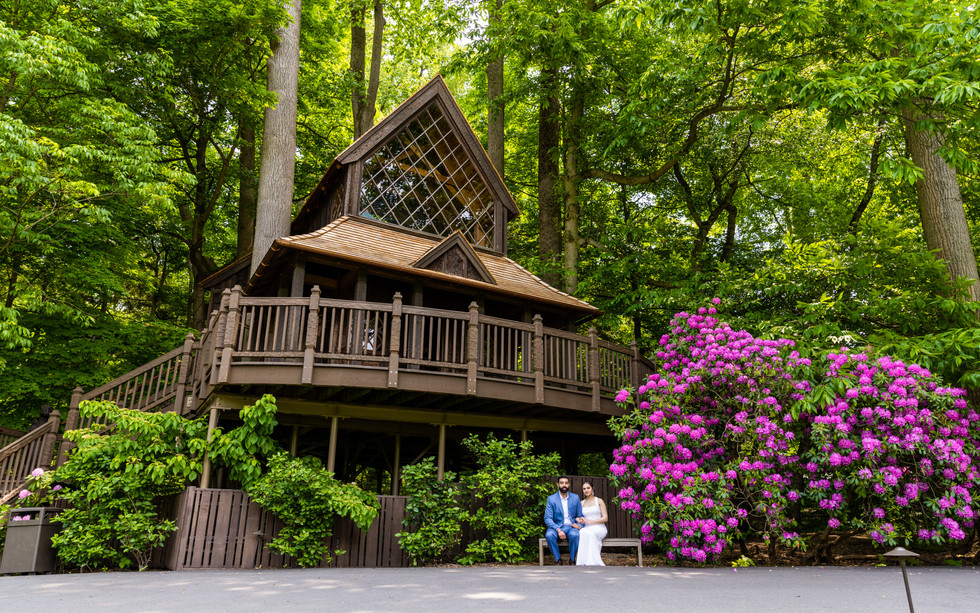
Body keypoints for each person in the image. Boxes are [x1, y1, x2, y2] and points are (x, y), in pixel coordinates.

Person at [544, 475, 583, 565]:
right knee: (549, 535)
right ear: (558, 485)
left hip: (571, 526)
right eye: (561, 483)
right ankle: (558, 560)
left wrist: (579, 525)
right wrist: (558, 529)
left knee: (575, 535)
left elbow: (580, 515)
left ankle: (572, 560)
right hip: (556, 526)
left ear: (569, 485)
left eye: (566, 483)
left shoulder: (575, 498)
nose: (564, 485)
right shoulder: (551, 499)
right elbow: (547, 518)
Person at [575, 480, 609, 566]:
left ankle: (593, 561)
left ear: (592, 489)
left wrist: (589, 521)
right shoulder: (581, 503)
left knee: (590, 533)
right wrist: (579, 520)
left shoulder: (599, 501)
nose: (586, 490)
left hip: (599, 527)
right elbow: (576, 517)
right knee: (583, 532)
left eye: (588, 488)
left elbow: (605, 518)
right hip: (586, 527)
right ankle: (582, 561)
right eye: (584, 489)